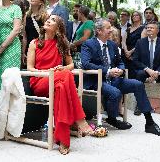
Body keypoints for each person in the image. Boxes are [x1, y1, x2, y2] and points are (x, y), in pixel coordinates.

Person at [27, 15, 103, 155]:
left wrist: (62, 69)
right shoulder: (34, 43)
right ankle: (81, 121)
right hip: (40, 81)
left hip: (58, 81)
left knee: (62, 88)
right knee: (66, 76)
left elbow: (71, 65)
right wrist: (47, 72)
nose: (49, 20)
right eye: (49, 18)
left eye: (53, 20)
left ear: (58, 28)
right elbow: (30, 68)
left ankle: (63, 141)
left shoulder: (62, 43)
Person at [81, 18, 160, 137]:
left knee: (138, 84)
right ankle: (112, 118)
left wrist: (121, 70)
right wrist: (108, 70)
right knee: (115, 93)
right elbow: (86, 63)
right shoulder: (88, 44)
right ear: (99, 31)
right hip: (97, 80)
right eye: (108, 28)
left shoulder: (112, 44)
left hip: (115, 79)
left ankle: (150, 123)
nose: (111, 30)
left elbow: (120, 62)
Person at [133, 21, 160, 116]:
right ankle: (139, 104)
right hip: (145, 71)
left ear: (157, 30)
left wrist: (157, 72)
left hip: (158, 71)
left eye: (151, 28)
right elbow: (135, 60)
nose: (148, 29)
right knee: (139, 74)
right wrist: (147, 69)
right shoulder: (140, 42)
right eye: (147, 27)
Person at [23, 0, 47, 66]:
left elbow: (48, 35)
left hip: (41, 48)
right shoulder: (26, 16)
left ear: (40, 2)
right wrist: (23, 52)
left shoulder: (45, 16)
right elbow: (25, 37)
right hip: (29, 48)